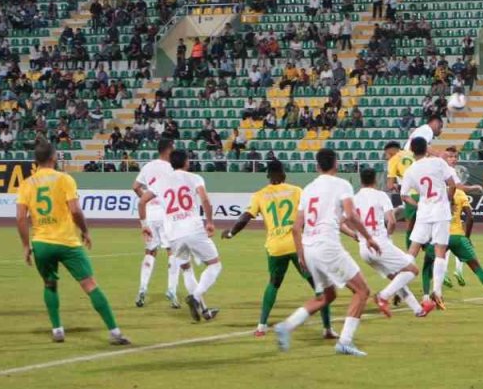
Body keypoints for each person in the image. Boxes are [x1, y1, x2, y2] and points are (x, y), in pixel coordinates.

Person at [15, 143, 130, 345]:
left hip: (41, 242)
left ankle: (57, 330)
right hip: (67, 241)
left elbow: (20, 218)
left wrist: (26, 246)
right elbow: (75, 210)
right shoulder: (64, 179)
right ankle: (114, 332)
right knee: (89, 284)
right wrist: (85, 231)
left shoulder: (26, 184)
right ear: (53, 157)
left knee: (49, 284)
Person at [273, 148, 380, 356]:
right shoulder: (342, 184)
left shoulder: (308, 189)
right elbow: (351, 215)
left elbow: (296, 228)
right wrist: (368, 238)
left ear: (317, 166)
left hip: (309, 246)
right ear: (336, 164)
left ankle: (286, 326)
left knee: (326, 296)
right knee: (362, 291)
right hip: (327, 245)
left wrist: (302, 255)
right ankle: (345, 342)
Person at [223, 159, 337, 338]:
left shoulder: (260, 195)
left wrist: (231, 233)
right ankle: (327, 329)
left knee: (274, 284)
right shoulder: (297, 191)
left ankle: (261, 326)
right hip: (298, 245)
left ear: (268, 176)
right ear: (284, 173)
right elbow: (310, 213)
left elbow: (245, 217)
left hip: (275, 247)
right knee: (319, 286)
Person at [141, 150, 223, 322]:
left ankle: (205, 310)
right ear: (186, 162)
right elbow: (205, 200)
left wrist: (144, 225)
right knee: (215, 265)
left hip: (173, 234)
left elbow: (142, 201)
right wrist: (209, 222)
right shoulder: (195, 178)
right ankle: (196, 296)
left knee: (186, 269)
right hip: (193, 228)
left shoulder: (160, 182)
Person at [419, 149, 483, 307]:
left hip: (439, 237)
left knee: (427, 265)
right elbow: (470, 216)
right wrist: (467, 237)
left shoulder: (434, 195)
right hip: (458, 236)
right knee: (477, 267)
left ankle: (427, 296)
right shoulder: (459, 193)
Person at [349, 167, 435, 318]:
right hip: (380, 244)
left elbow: (342, 220)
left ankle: (418, 310)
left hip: (364, 249)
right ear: (375, 179)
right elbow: (392, 221)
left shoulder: (354, 199)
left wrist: (353, 234)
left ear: (360, 180)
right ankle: (383, 296)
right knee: (412, 270)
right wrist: (388, 235)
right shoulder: (381, 195)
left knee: (398, 278)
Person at [400, 137, 458, 310]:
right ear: (426, 148)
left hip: (424, 212)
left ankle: (398, 284)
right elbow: (452, 184)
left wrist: (418, 204)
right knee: (440, 250)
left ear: (412, 151)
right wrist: (447, 199)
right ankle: (437, 292)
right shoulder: (438, 163)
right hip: (440, 211)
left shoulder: (410, 170)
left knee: (413, 249)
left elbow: (404, 195)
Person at [132, 138, 187, 309]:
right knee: (172, 251)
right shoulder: (172, 167)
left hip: (150, 213)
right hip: (167, 214)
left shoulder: (148, 166)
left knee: (150, 251)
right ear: (169, 149)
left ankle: (142, 289)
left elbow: (135, 186)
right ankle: (171, 290)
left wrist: (147, 200)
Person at [384, 140, 419, 247]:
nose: (386, 156)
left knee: (410, 225)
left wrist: (394, 186)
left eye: (386, 153)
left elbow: (389, 185)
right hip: (424, 190)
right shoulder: (411, 153)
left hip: (411, 194)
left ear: (390, 151)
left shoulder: (393, 160)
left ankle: (410, 252)